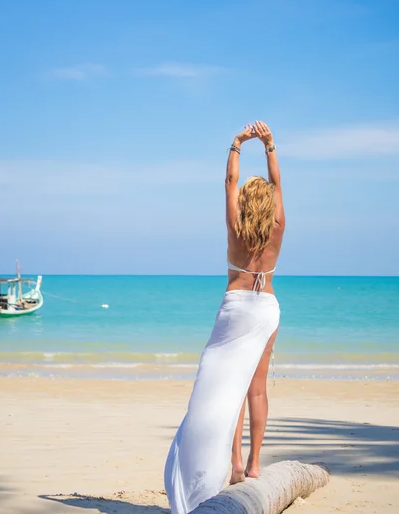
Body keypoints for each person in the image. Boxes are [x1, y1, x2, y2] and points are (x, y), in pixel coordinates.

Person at [164, 121, 285, 514]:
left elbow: (228, 181)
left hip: (236, 309)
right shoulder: (279, 228)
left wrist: (237, 143)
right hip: (266, 307)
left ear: (246, 203)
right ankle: (253, 464)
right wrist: (270, 147)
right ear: (268, 205)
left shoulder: (235, 228)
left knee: (227, 387)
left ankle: (233, 464)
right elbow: (278, 187)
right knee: (257, 388)